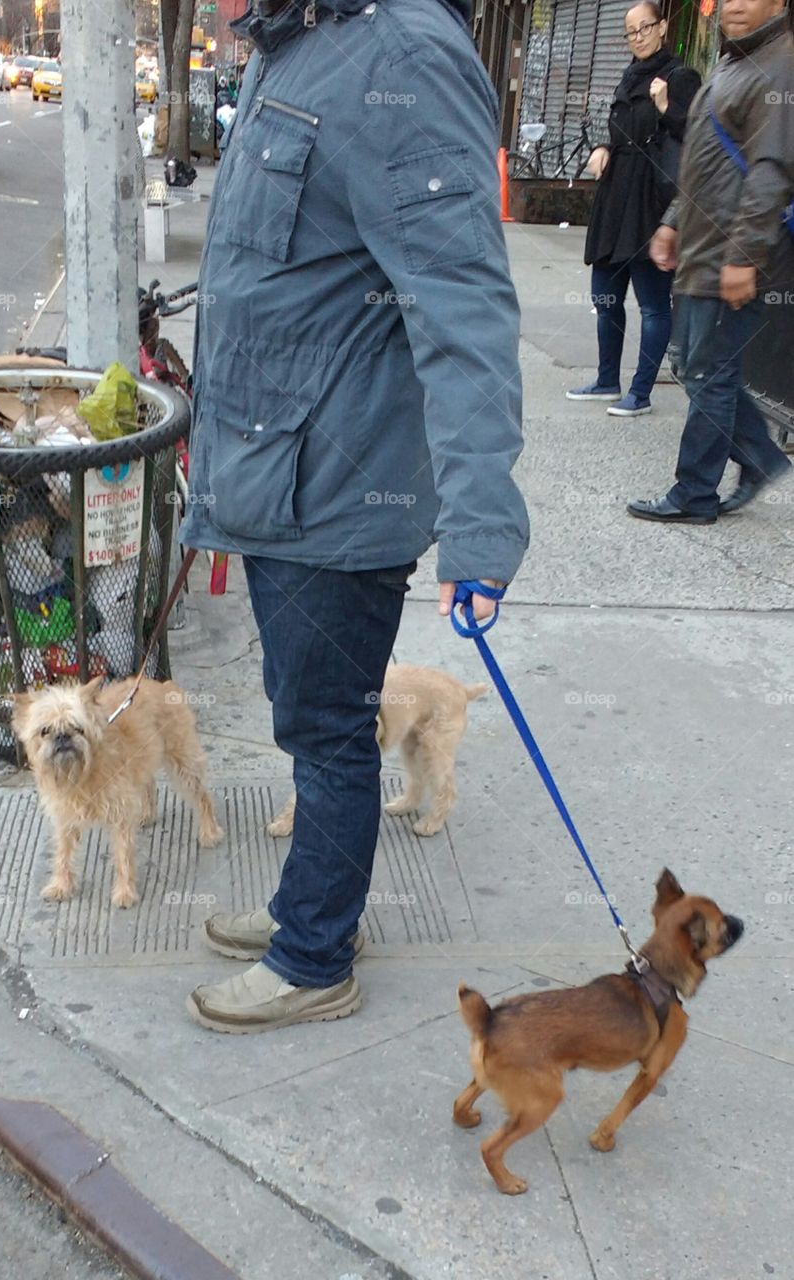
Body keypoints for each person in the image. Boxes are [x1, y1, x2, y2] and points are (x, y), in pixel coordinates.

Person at [180, 0, 529, 1033]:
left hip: (337, 484)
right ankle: (310, 907)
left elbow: (464, 306)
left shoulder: (402, 54)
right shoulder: (304, 41)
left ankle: (313, 956)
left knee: (331, 732)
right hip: (280, 470)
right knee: (309, 718)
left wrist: (481, 526)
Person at [629, 0, 794, 523]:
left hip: (731, 252)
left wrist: (744, 256)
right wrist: (674, 221)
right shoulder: (730, 63)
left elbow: (770, 173)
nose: (738, 5)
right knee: (700, 368)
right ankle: (761, 457)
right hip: (703, 247)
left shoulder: (779, 66)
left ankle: (694, 492)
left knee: (708, 372)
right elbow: (705, 160)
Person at [567, 3, 700, 417]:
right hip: (615, 197)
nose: (638, 36)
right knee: (605, 294)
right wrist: (602, 147)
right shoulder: (630, 75)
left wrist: (666, 107)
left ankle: (640, 393)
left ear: (662, 27)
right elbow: (620, 130)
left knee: (653, 303)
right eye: (630, 32)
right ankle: (608, 379)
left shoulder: (681, 77)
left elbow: (698, 137)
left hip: (650, 201)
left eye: (645, 28)